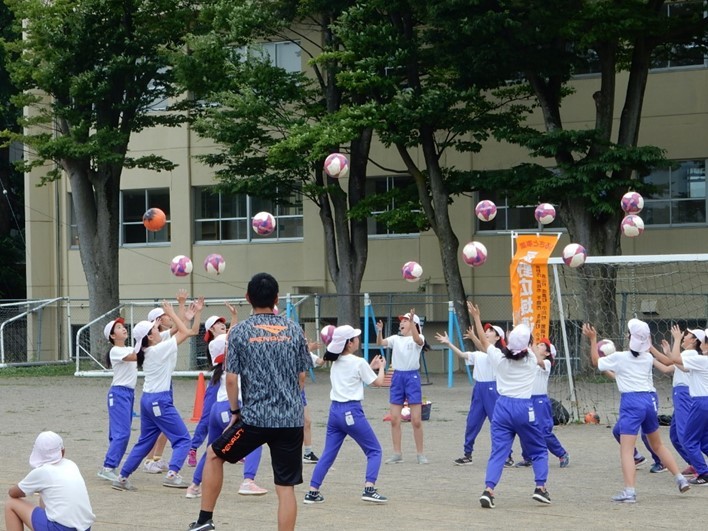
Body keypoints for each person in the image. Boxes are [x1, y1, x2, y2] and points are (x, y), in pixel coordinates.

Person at [187, 272, 311, 531]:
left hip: (255, 418)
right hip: (290, 420)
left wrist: (235, 411)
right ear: (276, 299)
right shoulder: (294, 330)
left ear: (247, 298)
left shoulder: (240, 332)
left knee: (213, 456)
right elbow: (302, 377)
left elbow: (231, 379)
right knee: (285, 487)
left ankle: (204, 521)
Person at [582, 320, 690, 502]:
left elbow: (595, 361)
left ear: (630, 338)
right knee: (658, 445)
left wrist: (593, 339)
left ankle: (630, 492)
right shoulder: (647, 358)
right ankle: (680, 478)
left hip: (631, 402)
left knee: (626, 449)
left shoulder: (619, 357)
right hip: (648, 401)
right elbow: (625, 374)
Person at [112, 298, 204, 491]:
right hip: (159, 400)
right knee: (183, 439)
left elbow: (186, 331)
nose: (158, 330)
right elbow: (186, 333)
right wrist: (173, 314)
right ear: (151, 337)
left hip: (147, 399)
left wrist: (187, 315)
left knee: (145, 442)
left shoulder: (149, 348)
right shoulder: (158, 348)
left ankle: (122, 477)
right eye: (155, 329)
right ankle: (172, 473)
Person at [466, 303, 551, 509]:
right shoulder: (532, 358)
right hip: (524, 407)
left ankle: (489, 490)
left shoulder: (498, 357)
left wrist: (477, 317)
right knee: (539, 450)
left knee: (499, 452)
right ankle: (540, 488)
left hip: (502, 407)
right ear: (528, 344)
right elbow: (528, 347)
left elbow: (485, 342)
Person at [304, 325, 388, 505]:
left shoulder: (336, 361)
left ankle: (312, 491)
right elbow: (379, 383)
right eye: (355, 338)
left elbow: (354, 380)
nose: (358, 339)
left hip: (334, 412)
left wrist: (370, 366)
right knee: (375, 451)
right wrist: (381, 367)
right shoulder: (358, 362)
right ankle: (369, 488)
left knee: (328, 453)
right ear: (349, 343)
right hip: (352, 412)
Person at [186, 334, 268, 499]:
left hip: (217, 410)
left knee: (212, 450)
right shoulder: (237, 363)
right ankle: (248, 481)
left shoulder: (220, 368)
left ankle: (194, 486)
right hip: (231, 407)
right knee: (255, 442)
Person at [435, 320, 514, 467]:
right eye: (487, 331)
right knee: (472, 422)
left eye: (490, 331)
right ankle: (467, 454)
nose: (487, 332)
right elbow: (462, 355)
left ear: (498, 337)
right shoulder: (478, 354)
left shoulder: (498, 353)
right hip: (479, 390)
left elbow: (485, 347)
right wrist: (449, 343)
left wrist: (474, 337)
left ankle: (508, 456)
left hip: (492, 390)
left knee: (498, 424)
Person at [5, 431, 95, 531]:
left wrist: (30, 487)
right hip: (85, 528)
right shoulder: (71, 464)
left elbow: (13, 493)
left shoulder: (42, 471)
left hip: (60, 528)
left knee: (11, 504)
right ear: (63, 451)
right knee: (44, 496)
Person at [143, 290, 190, 474]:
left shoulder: (162, 336)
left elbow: (180, 325)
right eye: (165, 316)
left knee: (163, 426)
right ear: (158, 321)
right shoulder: (159, 337)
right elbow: (180, 328)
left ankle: (157, 457)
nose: (170, 318)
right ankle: (148, 460)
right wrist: (179, 305)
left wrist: (181, 307)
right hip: (158, 388)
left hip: (166, 383)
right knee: (158, 426)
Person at [188, 306, 238, 468]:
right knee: (207, 419)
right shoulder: (215, 343)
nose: (222, 324)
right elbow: (232, 335)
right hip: (217, 385)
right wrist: (235, 317)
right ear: (211, 328)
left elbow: (233, 334)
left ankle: (235, 447)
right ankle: (193, 448)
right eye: (218, 323)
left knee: (235, 415)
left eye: (223, 322)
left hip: (227, 383)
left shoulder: (225, 338)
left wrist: (234, 316)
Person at [376, 309, 428, 464]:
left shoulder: (418, 339)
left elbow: (418, 339)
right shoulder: (395, 339)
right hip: (397, 377)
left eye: (406, 320)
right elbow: (381, 343)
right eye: (403, 321)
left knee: (416, 420)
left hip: (412, 378)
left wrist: (412, 323)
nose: (402, 323)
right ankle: (397, 453)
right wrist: (379, 331)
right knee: (394, 419)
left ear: (414, 324)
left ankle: (420, 454)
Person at [514, 338, 570, 469]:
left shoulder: (546, 363)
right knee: (524, 428)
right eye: (537, 344)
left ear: (547, 353)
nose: (538, 346)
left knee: (543, 431)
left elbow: (538, 361)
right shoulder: (529, 362)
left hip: (540, 401)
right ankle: (528, 457)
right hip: (526, 399)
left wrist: (531, 342)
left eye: (542, 346)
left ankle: (562, 453)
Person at [667, 324, 708, 484]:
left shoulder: (702, 360)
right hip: (703, 402)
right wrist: (670, 355)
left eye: (704, 340)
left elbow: (677, 359)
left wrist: (676, 340)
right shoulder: (701, 361)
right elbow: (683, 368)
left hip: (701, 402)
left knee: (688, 440)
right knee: (704, 440)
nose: (702, 343)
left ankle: (704, 473)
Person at [97, 317, 137, 482]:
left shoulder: (128, 347)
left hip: (128, 393)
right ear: (112, 336)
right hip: (119, 393)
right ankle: (108, 467)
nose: (123, 329)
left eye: (123, 326)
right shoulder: (116, 351)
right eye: (119, 328)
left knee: (119, 433)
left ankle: (110, 466)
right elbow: (135, 357)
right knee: (122, 433)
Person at [303, 340, 325, 464]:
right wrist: (308, 350)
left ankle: (307, 453)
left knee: (307, 421)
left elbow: (320, 362)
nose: (307, 342)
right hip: (289, 391)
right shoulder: (290, 350)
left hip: (299, 391)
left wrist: (331, 350)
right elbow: (296, 358)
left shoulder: (307, 353)